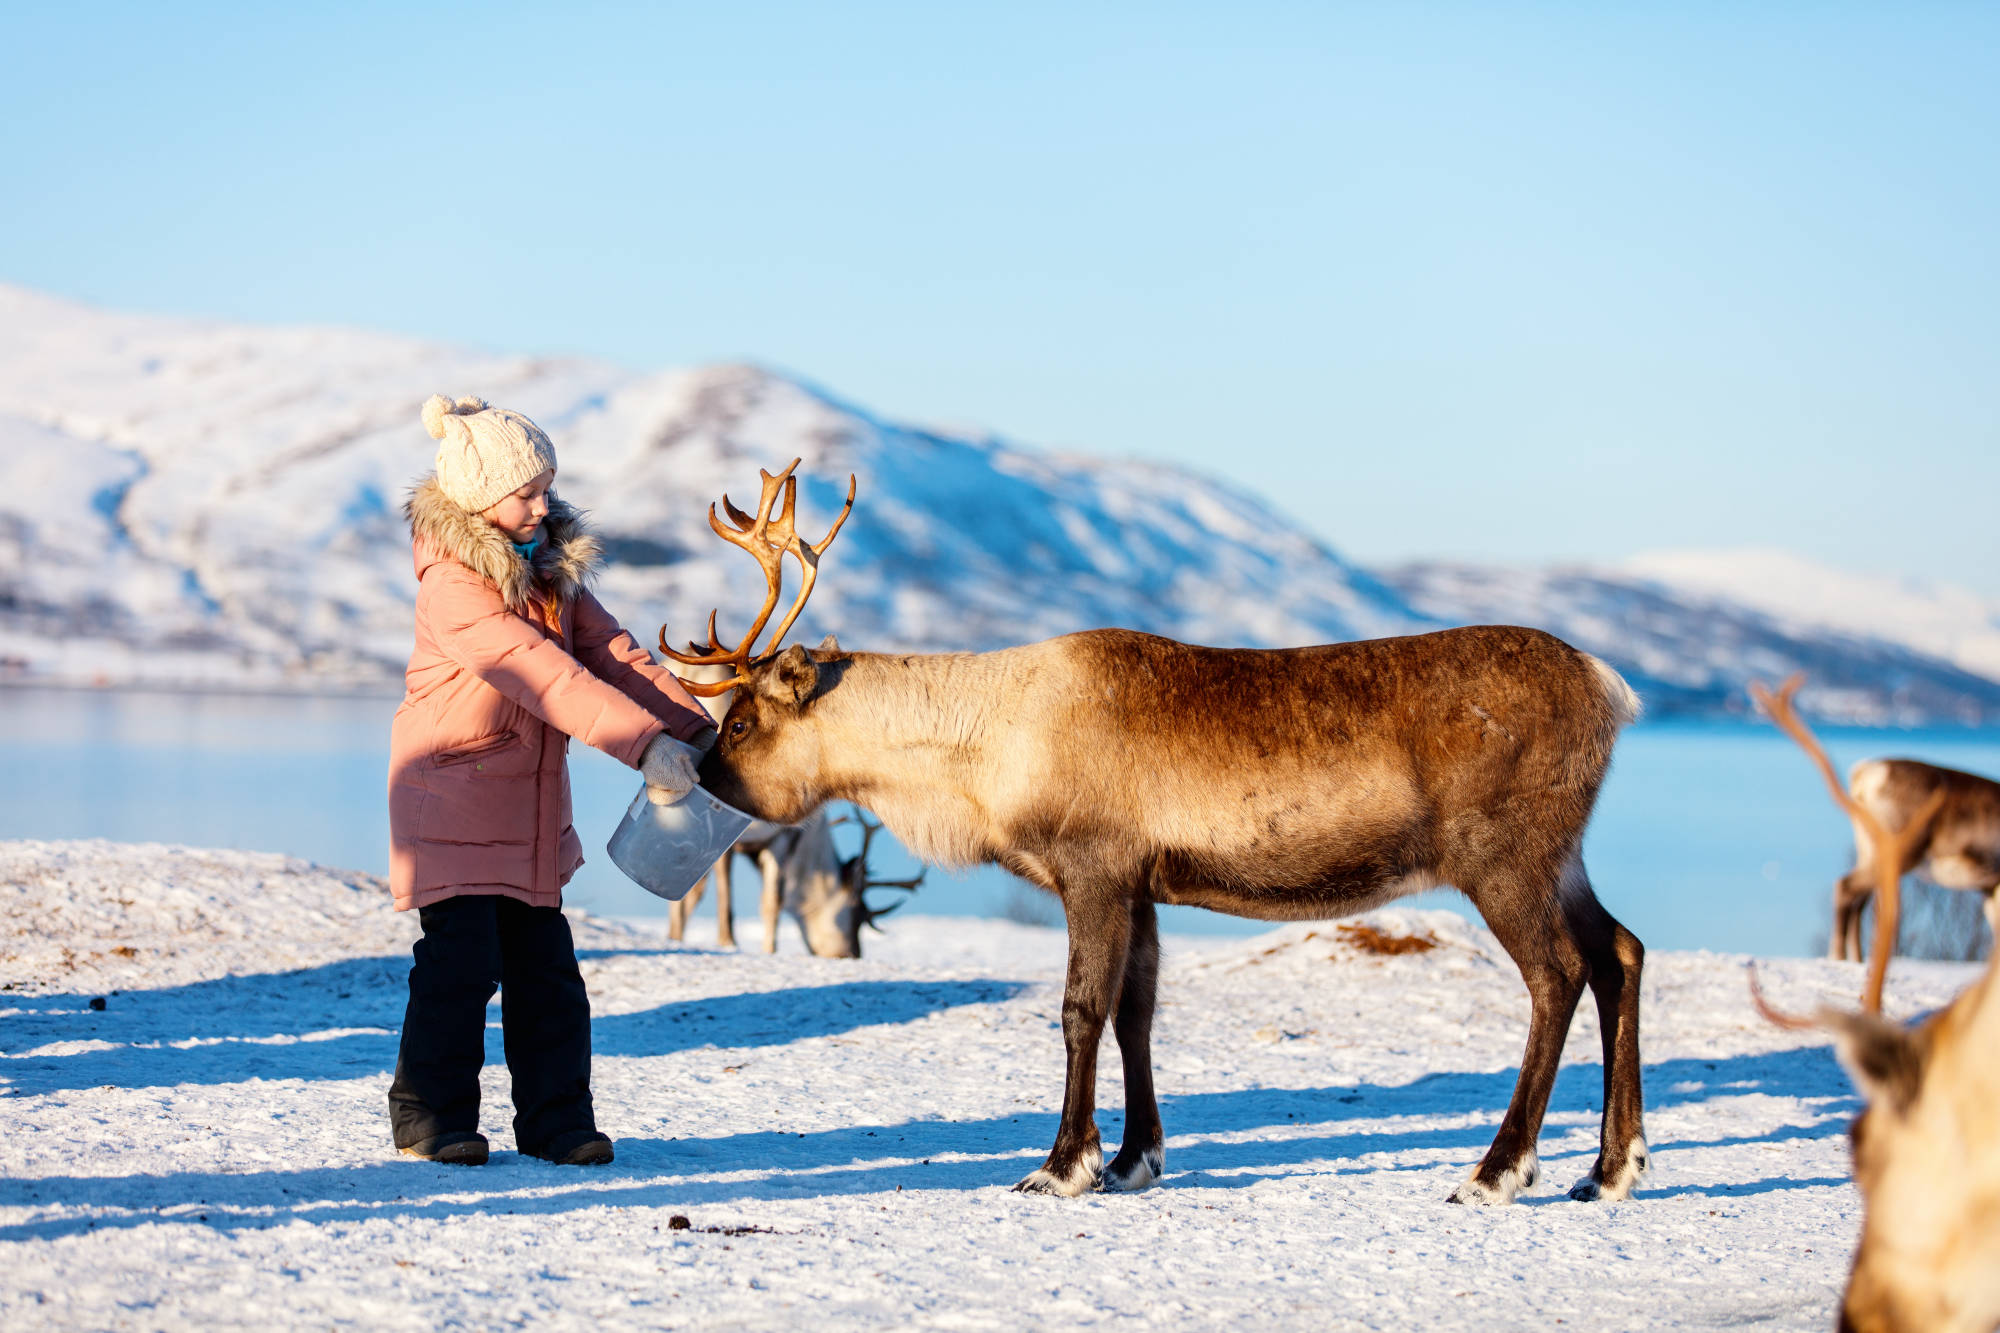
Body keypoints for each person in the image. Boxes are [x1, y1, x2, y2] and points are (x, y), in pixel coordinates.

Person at [385, 393, 716, 1166]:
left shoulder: (549, 572)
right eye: (527, 492)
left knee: (549, 977)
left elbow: (613, 656)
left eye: (547, 487)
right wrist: (643, 747)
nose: (545, 505)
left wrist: (702, 733)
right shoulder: (455, 586)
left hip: (527, 809)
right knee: (458, 969)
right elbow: (546, 676)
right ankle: (430, 1119)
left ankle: (558, 1123)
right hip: (450, 799)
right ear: (477, 498)